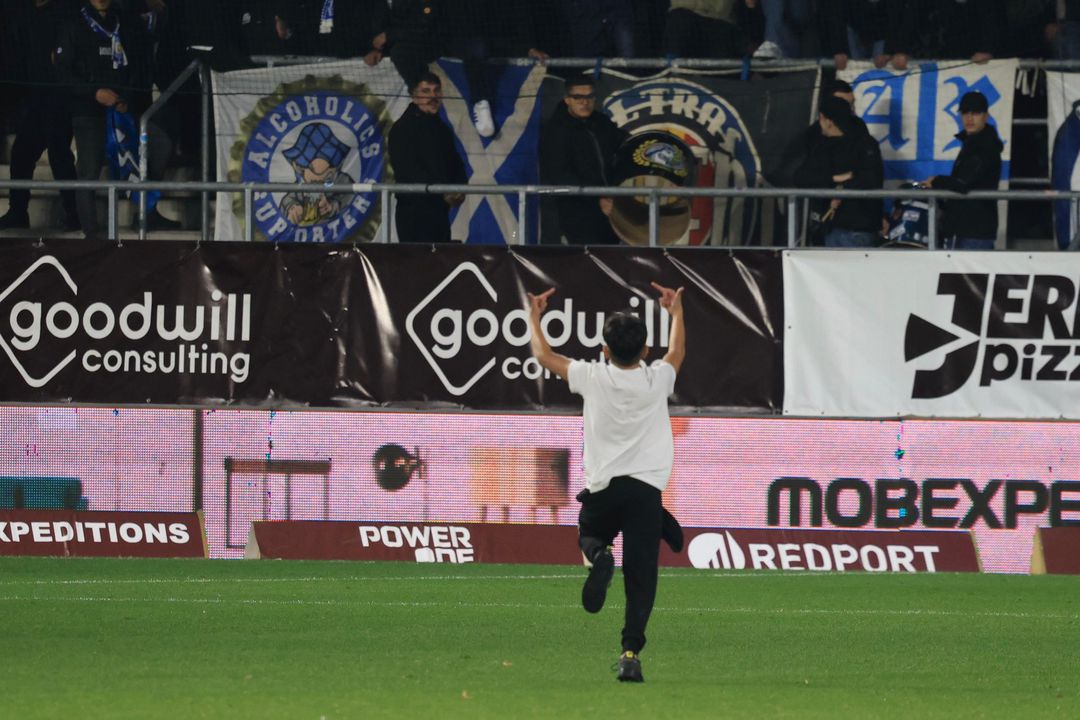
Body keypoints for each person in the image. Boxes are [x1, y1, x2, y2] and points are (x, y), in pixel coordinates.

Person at [526, 281, 686, 683]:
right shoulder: (657, 379)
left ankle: (598, 555)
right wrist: (676, 312)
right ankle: (630, 653)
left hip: (604, 490)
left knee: (589, 534)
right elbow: (677, 352)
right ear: (645, 351)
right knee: (642, 577)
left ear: (604, 350)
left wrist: (534, 316)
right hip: (646, 494)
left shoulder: (591, 375)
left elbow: (544, 355)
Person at [55, 0, 178, 239]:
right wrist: (94, 92)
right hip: (88, 113)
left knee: (160, 144)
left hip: (122, 110)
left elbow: (135, 66)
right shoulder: (73, 24)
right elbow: (62, 73)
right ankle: (91, 234)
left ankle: (146, 212)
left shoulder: (123, 21)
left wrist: (126, 98)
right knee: (88, 171)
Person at [0, 0, 79, 232]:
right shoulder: (23, 13)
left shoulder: (66, 13)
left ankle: (74, 214)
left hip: (61, 98)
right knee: (21, 154)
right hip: (37, 99)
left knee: (59, 155)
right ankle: (18, 212)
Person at [539, 74, 626, 245]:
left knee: (612, 254)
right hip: (576, 211)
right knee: (586, 256)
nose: (584, 102)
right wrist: (597, 198)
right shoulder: (556, 130)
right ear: (567, 99)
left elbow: (623, 145)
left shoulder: (601, 122)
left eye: (589, 96)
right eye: (578, 97)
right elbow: (559, 175)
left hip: (609, 206)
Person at [794, 94, 884, 247]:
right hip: (829, 228)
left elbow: (871, 178)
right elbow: (800, 177)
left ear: (828, 120)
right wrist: (835, 178)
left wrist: (842, 190)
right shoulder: (821, 147)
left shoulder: (864, 144)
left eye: (820, 118)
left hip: (857, 229)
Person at [919, 91, 1003, 250]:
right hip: (965, 228)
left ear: (986, 116)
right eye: (965, 113)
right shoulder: (973, 142)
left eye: (975, 113)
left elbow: (963, 182)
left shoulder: (985, 145)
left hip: (974, 230)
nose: (969, 118)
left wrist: (936, 181)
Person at [388, 72, 466, 243]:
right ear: (414, 96)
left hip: (439, 211)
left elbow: (455, 162)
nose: (432, 96)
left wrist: (460, 187)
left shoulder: (441, 128)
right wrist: (441, 189)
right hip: (414, 212)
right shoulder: (403, 128)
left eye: (436, 90)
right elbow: (406, 169)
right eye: (426, 91)